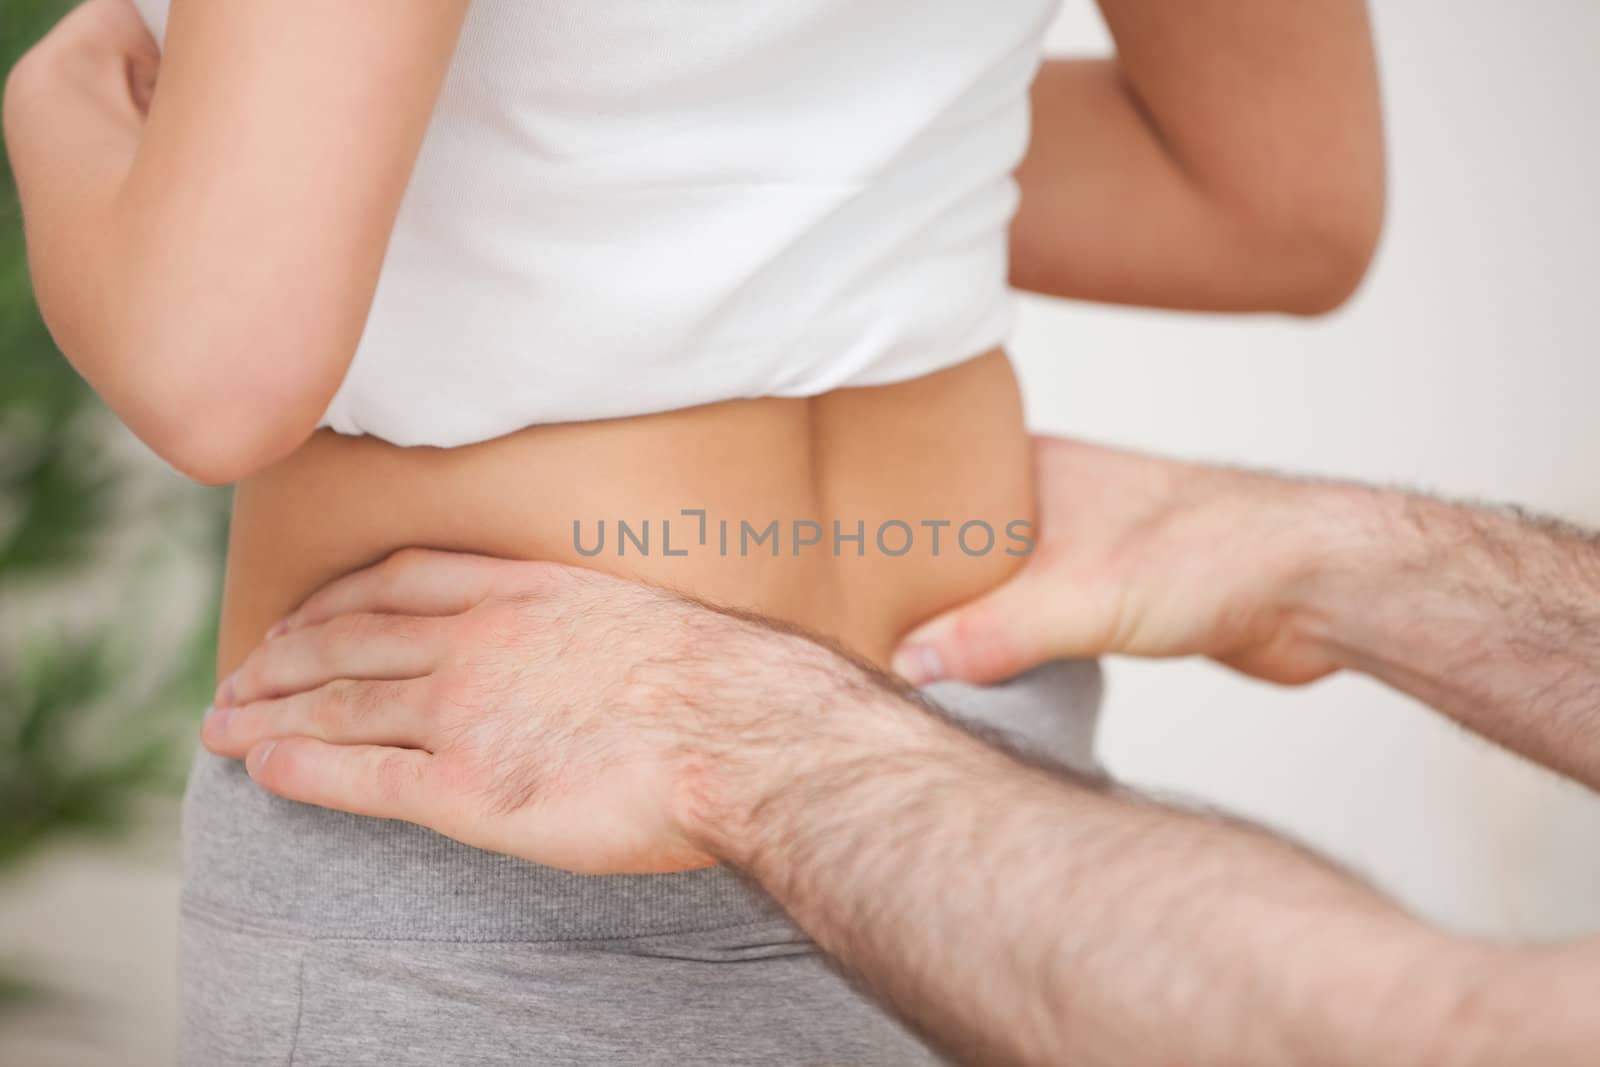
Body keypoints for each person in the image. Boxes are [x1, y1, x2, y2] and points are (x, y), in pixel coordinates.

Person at [4, 0, 1382, 1061]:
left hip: (494, 848)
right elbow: (1270, 206)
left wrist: (56, 98)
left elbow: (214, 366)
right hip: (963, 768)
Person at [206, 435, 1600, 1067]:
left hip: (714, 768)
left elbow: (1447, 1044)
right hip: (946, 759)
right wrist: (1340, 554)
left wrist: (751, 735)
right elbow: (1271, 206)